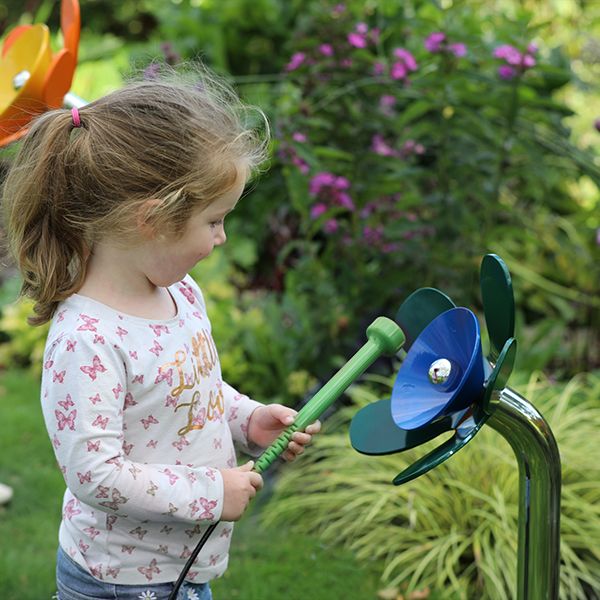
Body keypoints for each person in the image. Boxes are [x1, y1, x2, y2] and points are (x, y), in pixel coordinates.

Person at [1, 66, 320, 600]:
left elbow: (188, 388)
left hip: (182, 570)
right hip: (121, 584)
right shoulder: (87, 340)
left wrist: (246, 419)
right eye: (214, 221)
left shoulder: (180, 294)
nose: (221, 238)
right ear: (153, 219)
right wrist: (211, 493)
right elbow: (95, 474)